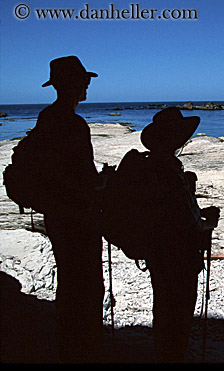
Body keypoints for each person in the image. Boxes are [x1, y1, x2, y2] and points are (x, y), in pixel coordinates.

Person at [37, 56, 105, 362]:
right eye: (84, 80)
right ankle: (84, 346)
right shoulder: (74, 124)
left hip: (55, 214)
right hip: (78, 216)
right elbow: (84, 177)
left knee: (68, 278)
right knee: (87, 283)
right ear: (73, 85)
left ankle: (68, 342)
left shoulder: (45, 117)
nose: (88, 84)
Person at [140, 107, 220, 362]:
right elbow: (191, 222)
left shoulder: (149, 165)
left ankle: (162, 352)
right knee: (180, 310)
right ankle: (173, 355)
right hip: (179, 256)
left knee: (162, 305)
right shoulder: (171, 169)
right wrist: (210, 221)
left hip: (156, 251)